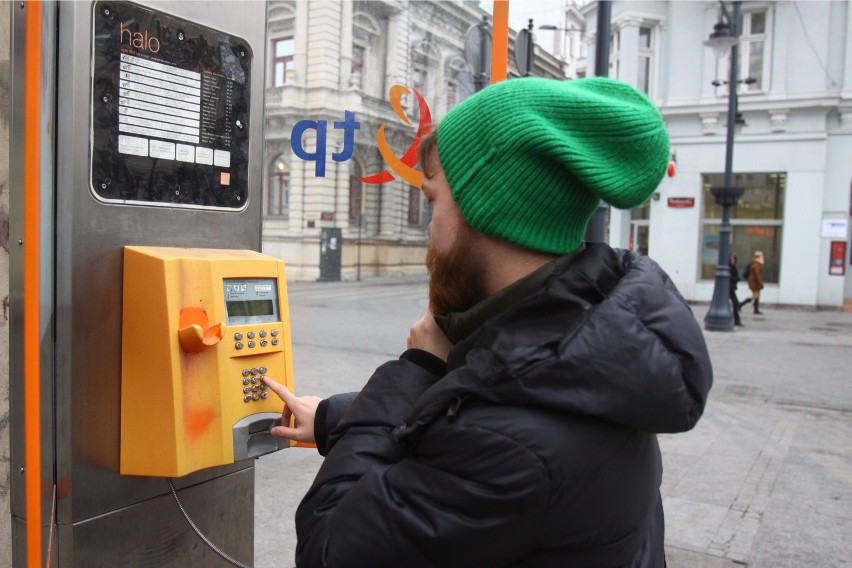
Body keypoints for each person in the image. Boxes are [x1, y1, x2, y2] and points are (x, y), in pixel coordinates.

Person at [262, 77, 713, 568]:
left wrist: (417, 364)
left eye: (434, 201)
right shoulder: (591, 341)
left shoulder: (508, 446)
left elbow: (330, 547)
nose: (430, 228)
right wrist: (338, 418)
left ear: (487, 210)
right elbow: (482, 403)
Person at [729, 254, 744, 326]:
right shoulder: (729, 267)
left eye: (734, 259)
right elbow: (730, 277)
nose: (733, 261)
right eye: (732, 259)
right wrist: (736, 279)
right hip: (729, 289)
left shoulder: (733, 267)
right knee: (735, 303)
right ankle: (736, 320)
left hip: (731, 289)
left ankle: (737, 320)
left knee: (735, 303)